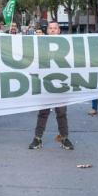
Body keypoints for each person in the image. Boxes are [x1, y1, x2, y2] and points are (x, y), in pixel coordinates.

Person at [29, 22, 73, 150]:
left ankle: (64, 138)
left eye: (55, 28)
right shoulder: (40, 45)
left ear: (59, 30)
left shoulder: (67, 45)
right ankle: (37, 138)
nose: (53, 30)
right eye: (50, 28)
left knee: (61, 112)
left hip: (61, 84)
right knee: (43, 112)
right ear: (47, 31)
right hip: (46, 84)